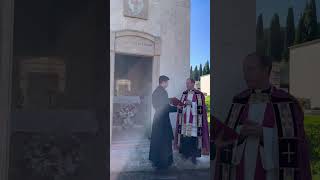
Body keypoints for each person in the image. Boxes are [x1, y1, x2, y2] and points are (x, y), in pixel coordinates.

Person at [213, 53, 311, 180]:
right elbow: (225, 139)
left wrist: (264, 133)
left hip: (271, 173)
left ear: (266, 70)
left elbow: (298, 146)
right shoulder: (239, 101)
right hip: (240, 170)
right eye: (244, 70)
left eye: (251, 69)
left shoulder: (286, 103)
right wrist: (239, 133)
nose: (245, 75)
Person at [174, 78, 210, 164]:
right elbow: (181, 105)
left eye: (188, 83)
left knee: (193, 138)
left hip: (194, 121)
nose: (187, 85)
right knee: (185, 138)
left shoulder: (199, 94)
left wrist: (192, 104)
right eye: (186, 83)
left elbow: (201, 108)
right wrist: (183, 105)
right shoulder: (184, 93)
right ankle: (185, 154)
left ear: (193, 83)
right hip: (184, 120)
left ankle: (194, 156)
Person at [149, 75, 180, 169]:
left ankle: (156, 161)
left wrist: (169, 100)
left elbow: (158, 104)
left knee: (157, 140)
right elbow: (165, 107)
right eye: (167, 82)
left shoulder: (156, 91)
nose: (168, 84)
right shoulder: (163, 92)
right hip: (163, 120)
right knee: (165, 141)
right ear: (163, 82)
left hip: (157, 118)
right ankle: (164, 162)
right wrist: (177, 108)